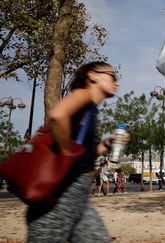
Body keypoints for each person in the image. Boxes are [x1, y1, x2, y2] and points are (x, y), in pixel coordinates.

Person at [26, 61, 127, 242]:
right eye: (112, 76)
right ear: (93, 76)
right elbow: (57, 115)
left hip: (78, 198)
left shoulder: (90, 110)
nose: (116, 82)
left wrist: (106, 144)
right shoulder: (83, 95)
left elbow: (84, 155)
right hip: (58, 197)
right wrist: (67, 153)